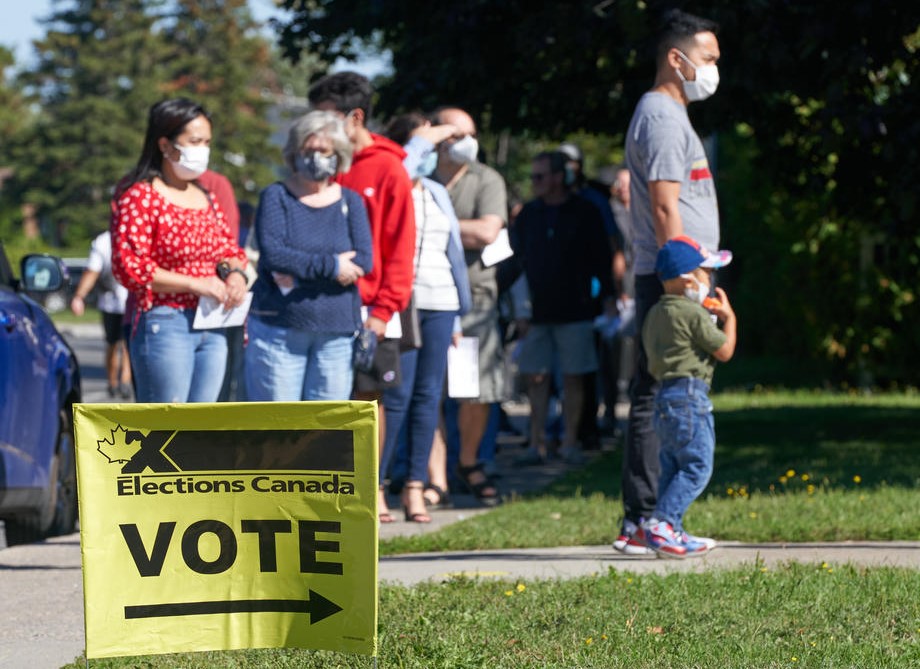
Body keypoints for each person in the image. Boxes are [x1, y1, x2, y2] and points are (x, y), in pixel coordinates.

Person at [615, 8, 724, 555]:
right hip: (671, 276)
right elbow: (663, 207)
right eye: (708, 58)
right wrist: (681, 278)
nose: (713, 69)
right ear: (677, 58)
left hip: (679, 273)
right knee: (661, 392)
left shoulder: (671, 115)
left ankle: (657, 519)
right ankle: (644, 521)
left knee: (667, 392)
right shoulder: (660, 115)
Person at [307, 72, 417, 521]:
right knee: (328, 398)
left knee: (370, 398)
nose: (318, 126)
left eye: (326, 117)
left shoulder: (388, 168)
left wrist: (384, 309)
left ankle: (373, 488)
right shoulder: (319, 162)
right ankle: (328, 489)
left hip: (371, 307)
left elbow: (400, 245)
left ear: (355, 117)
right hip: (321, 303)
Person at [111, 98, 248, 403]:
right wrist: (194, 284)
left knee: (200, 423)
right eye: (195, 142)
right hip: (166, 321)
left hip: (212, 322)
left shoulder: (206, 196)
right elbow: (130, 266)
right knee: (167, 424)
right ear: (165, 145)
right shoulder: (141, 196)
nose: (203, 150)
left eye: (207, 142)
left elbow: (228, 248)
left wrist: (236, 274)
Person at [377, 113, 473, 522]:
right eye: (428, 145)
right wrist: (423, 139)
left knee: (429, 397)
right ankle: (377, 486)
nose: (434, 153)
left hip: (442, 301)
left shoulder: (435, 191)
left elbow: (453, 250)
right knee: (396, 397)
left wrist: (458, 318)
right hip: (402, 302)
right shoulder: (393, 183)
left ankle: (415, 486)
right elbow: (401, 168)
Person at [244, 110, 372, 401]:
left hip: (336, 335)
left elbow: (364, 260)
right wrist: (333, 266)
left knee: (325, 424)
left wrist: (300, 272)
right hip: (279, 330)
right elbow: (274, 256)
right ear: (294, 152)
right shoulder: (276, 196)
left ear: (338, 154)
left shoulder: (351, 201)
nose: (316, 158)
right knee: (279, 422)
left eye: (324, 151)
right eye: (308, 150)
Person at [508, 151, 613, 465]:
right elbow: (515, 262)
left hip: (576, 308)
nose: (535, 182)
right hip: (535, 311)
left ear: (558, 177)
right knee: (535, 377)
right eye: (533, 177)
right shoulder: (528, 214)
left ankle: (569, 441)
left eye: (540, 176)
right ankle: (536, 442)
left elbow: (602, 258)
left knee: (574, 376)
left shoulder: (585, 211)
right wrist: (518, 309)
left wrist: (609, 297)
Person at [637, 236, 735, 557]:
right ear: (688, 279)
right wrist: (729, 318)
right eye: (707, 273)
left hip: (663, 397)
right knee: (696, 466)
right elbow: (724, 350)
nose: (710, 281)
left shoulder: (654, 314)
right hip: (690, 398)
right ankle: (663, 523)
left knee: (671, 466)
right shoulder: (693, 314)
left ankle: (670, 530)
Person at [430, 106, 508, 506]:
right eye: (457, 134)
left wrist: (430, 226)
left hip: (472, 300)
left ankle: (468, 462)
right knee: (428, 393)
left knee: (471, 392)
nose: (468, 142)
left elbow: (488, 231)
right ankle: (434, 478)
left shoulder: (486, 179)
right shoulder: (420, 176)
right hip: (425, 296)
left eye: (471, 134)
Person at [69, 230, 132, 399]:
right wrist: (79, 297)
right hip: (111, 304)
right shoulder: (103, 242)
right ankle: (112, 382)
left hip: (132, 303)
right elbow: (92, 271)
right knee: (113, 344)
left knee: (128, 344)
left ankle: (125, 381)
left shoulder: (138, 234)